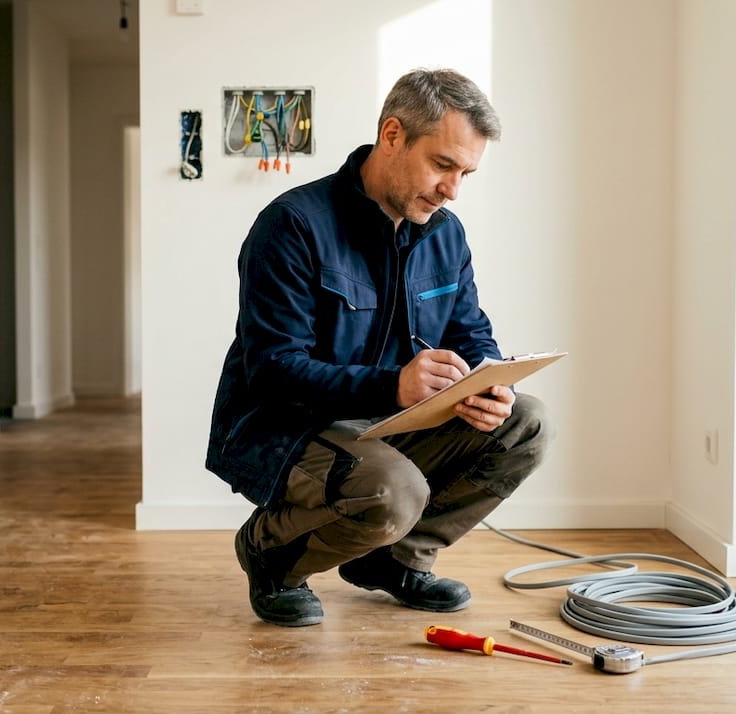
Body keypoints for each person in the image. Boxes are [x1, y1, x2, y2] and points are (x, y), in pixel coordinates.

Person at [206, 68, 552, 627]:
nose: (452, 190)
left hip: (391, 422)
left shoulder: (446, 232)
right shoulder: (292, 226)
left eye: (465, 173)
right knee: (391, 491)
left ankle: (394, 560)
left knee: (527, 423)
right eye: (443, 165)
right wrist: (393, 384)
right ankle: (271, 555)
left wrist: (494, 384)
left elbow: (470, 332)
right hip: (288, 425)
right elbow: (272, 372)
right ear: (392, 135)